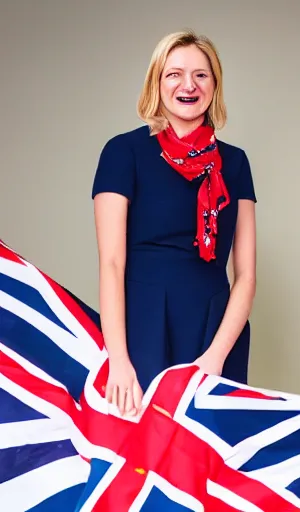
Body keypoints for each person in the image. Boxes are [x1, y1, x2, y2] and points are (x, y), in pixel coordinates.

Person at [91, 30, 257, 417]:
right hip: (142, 323)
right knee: (144, 454)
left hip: (216, 327)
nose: (188, 85)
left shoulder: (235, 163)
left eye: (201, 75)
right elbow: (111, 264)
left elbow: (246, 275)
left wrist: (216, 357)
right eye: (174, 74)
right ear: (156, 83)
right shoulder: (124, 152)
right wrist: (118, 358)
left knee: (210, 462)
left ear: (214, 85)